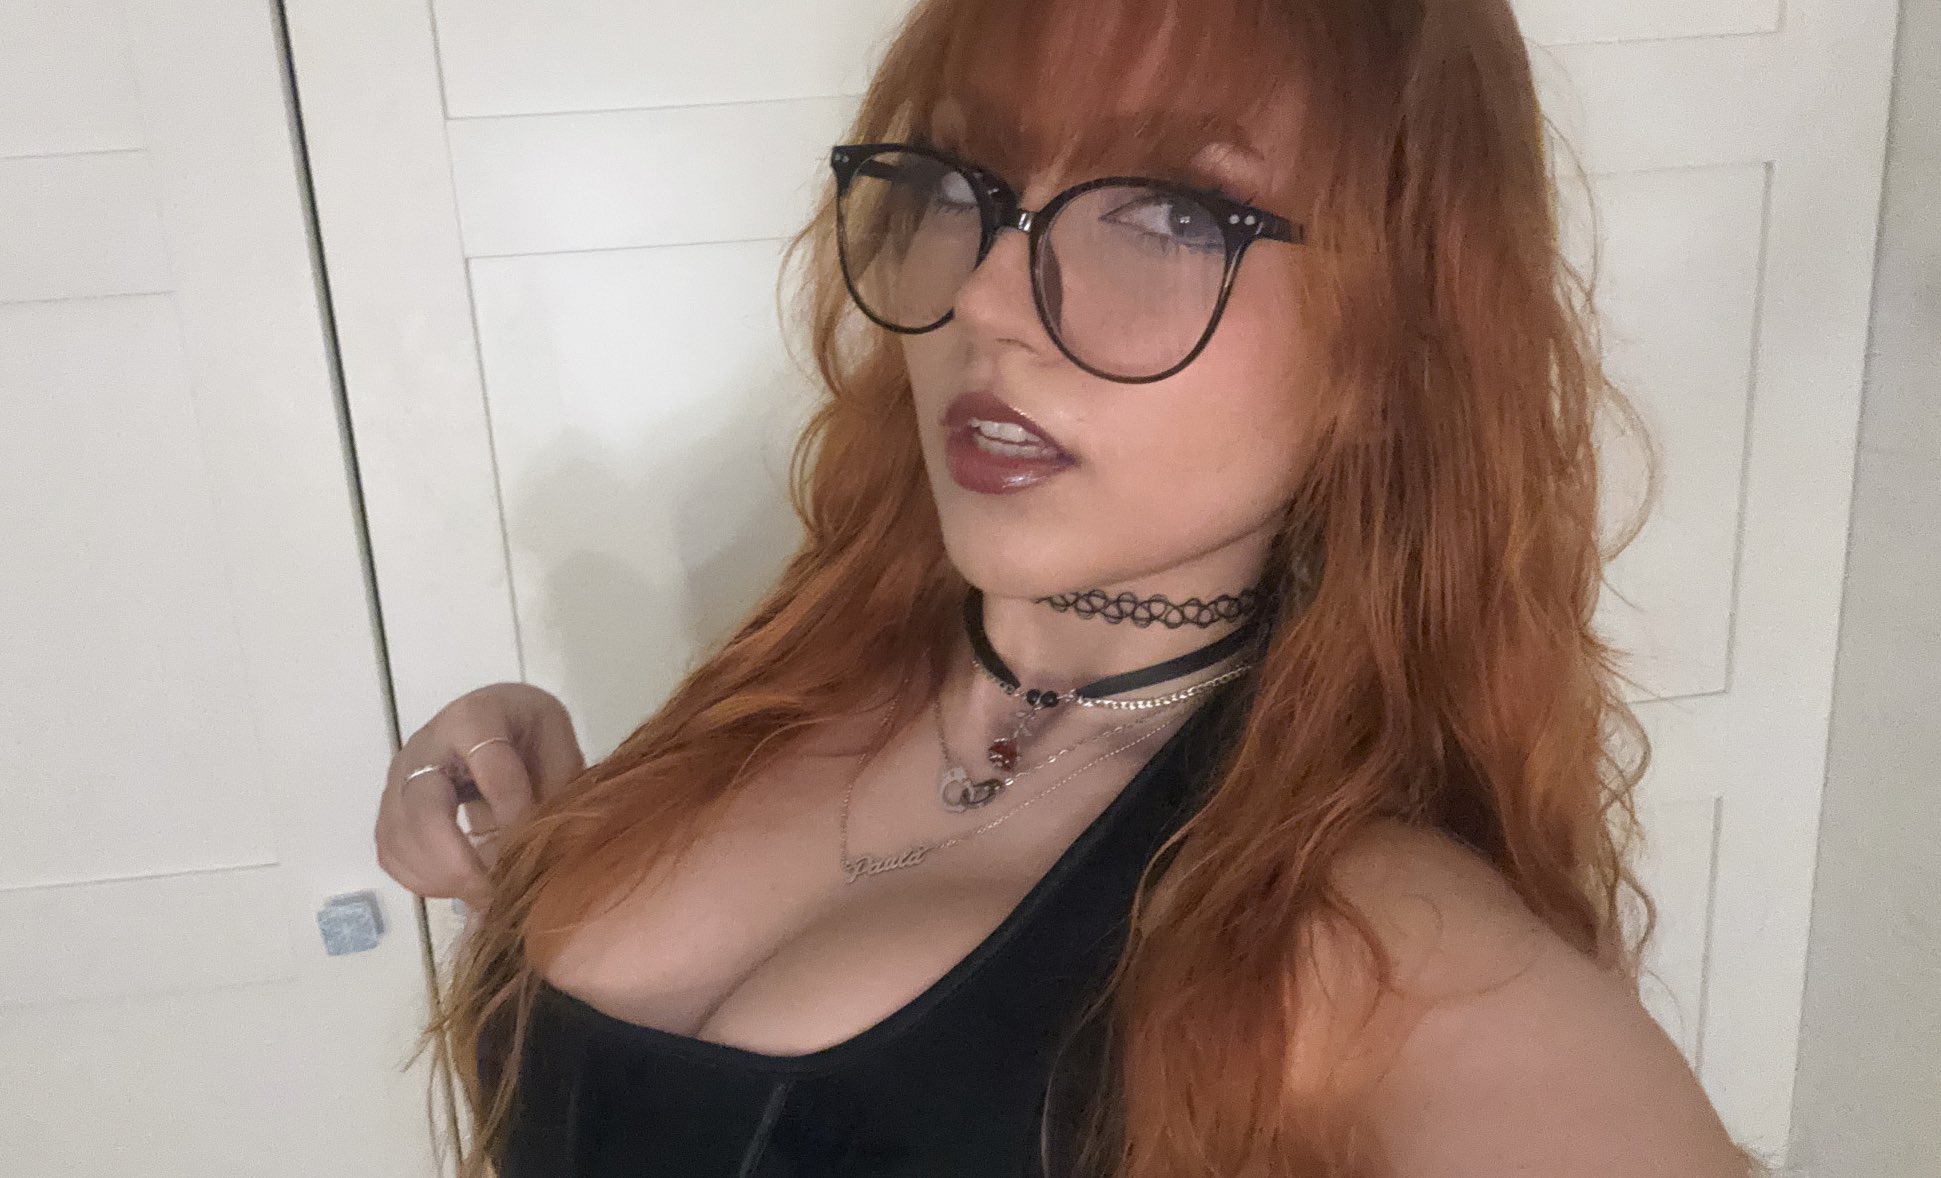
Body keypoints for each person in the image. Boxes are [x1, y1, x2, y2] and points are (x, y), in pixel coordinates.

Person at [376, 0, 1775, 1174]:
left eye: (1168, 213)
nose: (985, 291)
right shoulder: (803, 674)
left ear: (1390, 348)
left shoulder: (1374, 948)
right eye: (958, 180)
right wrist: (560, 832)